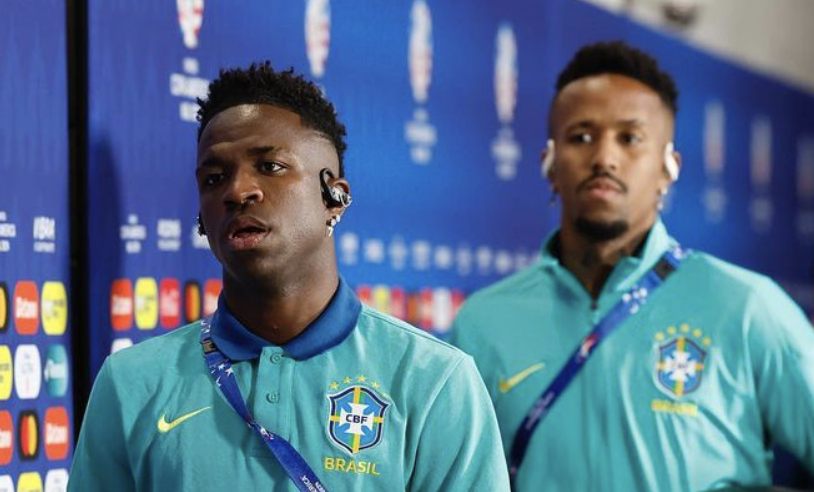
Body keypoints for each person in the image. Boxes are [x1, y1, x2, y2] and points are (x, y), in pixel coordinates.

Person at [69, 62, 510, 492]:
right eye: (214, 177)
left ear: (335, 198)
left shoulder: (434, 382)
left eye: (270, 166)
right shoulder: (130, 383)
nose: (238, 191)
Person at [450, 41, 814, 491]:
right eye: (581, 136)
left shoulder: (748, 308)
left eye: (630, 138)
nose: (605, 157)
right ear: (549, 163)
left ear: (668, 167)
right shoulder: (483, 322)